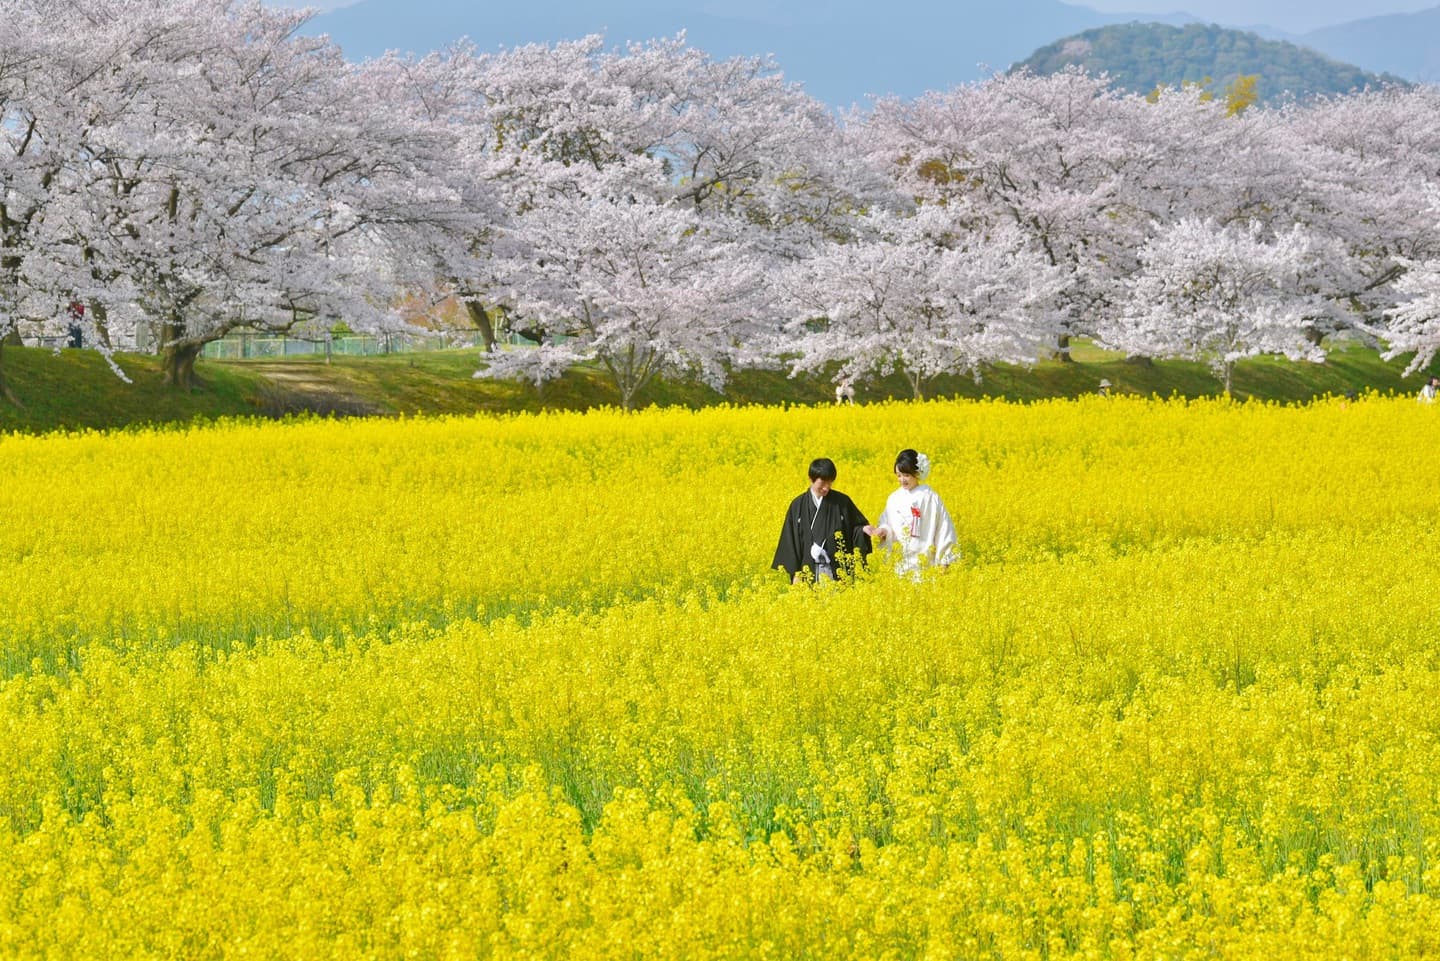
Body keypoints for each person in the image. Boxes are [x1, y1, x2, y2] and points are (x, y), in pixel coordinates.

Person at [773, 457, 873, 583]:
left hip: (837, 571)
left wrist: (862, 529)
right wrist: (796, 573)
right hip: (807, 571)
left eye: (830, 483)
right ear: (811, 479)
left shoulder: (842, 502)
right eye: (823, 483)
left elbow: (855, 527)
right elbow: (791, 541)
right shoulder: (798, 505)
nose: (826, 488)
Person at [864, 449, 958, 576]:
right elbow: (887, 524)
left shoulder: (930, 497)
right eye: (899, 475)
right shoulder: (894, 498)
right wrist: (883, 531)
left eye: (906, 475)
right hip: (900, 565)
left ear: (917, 472)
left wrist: (945, 562)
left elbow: (944, 529)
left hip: (925, 566)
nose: (902, 480)